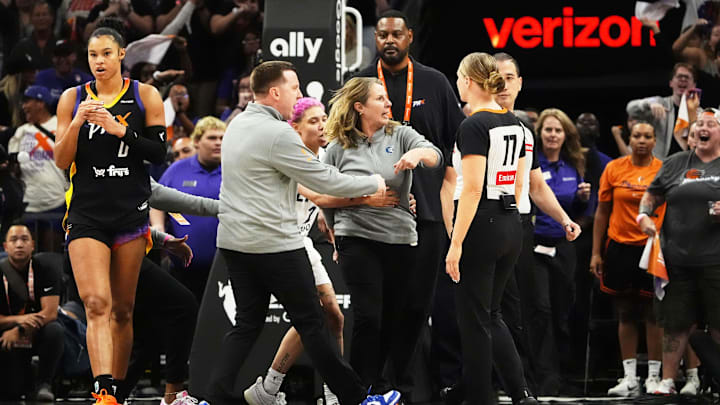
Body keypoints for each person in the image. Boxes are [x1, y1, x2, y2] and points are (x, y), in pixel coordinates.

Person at [208, 60, 399, 405]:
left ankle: (214, 397)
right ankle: (354, 398)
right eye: (294, 87)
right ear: (276, 91)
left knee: (248, 324)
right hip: (275, 243)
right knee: (314, 323)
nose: (298, 93)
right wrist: (375, 183)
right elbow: (324, 181)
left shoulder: (236, 125)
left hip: (235, 243)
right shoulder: (278, 133)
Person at [53, 19, 166, 405]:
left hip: (131, 213)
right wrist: (80, 122)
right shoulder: (73, 97)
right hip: (87, 214)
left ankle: (117, 390)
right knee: (96, 304)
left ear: (121, 55)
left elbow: (158, 153)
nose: (98, 61)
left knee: (122, 310)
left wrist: (121, 132)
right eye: (92, 55)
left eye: (106, 54)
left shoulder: (145, 95)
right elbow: (60, 160)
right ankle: (102, 390)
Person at [354, 10, 465, 396]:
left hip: (429, 213)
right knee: (378, 308)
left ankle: (405, 384)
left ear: (409, 37)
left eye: (396, 34)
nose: (388, 40)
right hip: (374, 212)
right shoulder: (359, 83)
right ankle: (373, 384)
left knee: (418, 306)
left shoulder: (434, 82)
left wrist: (448, 193)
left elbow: (456, 142)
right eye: (382, 33)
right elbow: (339, 138)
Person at [321, 76, 441, 396]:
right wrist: (341, 225)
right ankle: (357, 391)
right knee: (368, 317)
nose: (388, 104)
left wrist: (417, 156)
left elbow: (434, 154)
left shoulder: (400, 133)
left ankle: (380, 385)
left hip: (400, 237)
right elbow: (322, 194)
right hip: (355, 236)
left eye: (387, 99)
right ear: (360, 106)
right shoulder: (336, 147)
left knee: (394, 317)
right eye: (380, 99)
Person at [444, 52, 536, 405]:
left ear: (468, 80)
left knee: (475, 322)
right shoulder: (515, 122)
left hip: (483, 222)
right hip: (511, 222)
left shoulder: (474, 125)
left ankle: (481, 399)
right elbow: (517, 182)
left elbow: (470, 187)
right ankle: (520, 394)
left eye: (457, 77)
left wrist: (456, 243)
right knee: (491, 314)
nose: (457, 83)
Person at [493, 53, 582, 396]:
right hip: (484, 224)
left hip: (518, 226)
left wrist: (563, 218)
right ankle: (488, 385)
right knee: (491, 309)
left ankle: (525, 385)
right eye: (496, 76)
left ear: (519, 82)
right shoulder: (472, 122)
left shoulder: (523, 129)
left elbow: (535, 185)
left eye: (510, 76)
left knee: (527, 310)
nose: (503, 83)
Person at [637, 108, 720, 395]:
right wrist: (644, 216)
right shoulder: (674, 163)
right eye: (699, 124)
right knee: (675, 322)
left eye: (710, 124)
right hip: (676, 260)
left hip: (716, 261)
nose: (702, 128)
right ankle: (668, 381)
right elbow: (652, 194)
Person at [590, 122, 665, 396]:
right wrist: (596, 252)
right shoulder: (614, 169)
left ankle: (655, 377)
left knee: (654, 314)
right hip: (619, 248)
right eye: (637, 136)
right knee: (625, 313)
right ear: (630, 139)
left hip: (652, 247)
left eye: (647, 136)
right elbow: (601, 212)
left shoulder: (662, 170)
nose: (642, 140)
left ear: (655, 141)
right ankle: (629, 377)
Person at [532, 108, 591, 392]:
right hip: (533, 246)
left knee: (562, 309)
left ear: (565, 135)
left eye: (557, 130)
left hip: (565, 247)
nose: (553, 135)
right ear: (540, 133)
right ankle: (544, 376)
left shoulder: (573, 165)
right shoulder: (531, 164)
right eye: (548, 130)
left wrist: (581, 200)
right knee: (540, 309)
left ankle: (565, 370)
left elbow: (582, 212)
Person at [152, 116, 223, 302]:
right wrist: (159, 226)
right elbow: (156, 200)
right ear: (197, 142)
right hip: (182, 267)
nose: (218, 143)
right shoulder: (177, 169)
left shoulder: (233, 169)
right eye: (212, 138)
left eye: (222, 138)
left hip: (224, 268)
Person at [0, 224, 64, 402]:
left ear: (33, 245)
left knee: (55, 329)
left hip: (37, 329)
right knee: (11, 391)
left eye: (24, 239)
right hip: (6, 332)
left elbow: (50, 312)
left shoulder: (47, 269)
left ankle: (45, 383)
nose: (19, 244)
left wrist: (20, 329)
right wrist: (21, 320)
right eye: (14, 240)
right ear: (5, 246)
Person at [9, 84, 68, 252]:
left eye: (28, 101)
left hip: (56, 199)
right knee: (28, 254)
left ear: (40, 103)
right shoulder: (21, 132)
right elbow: (14, 169)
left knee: (52, 253)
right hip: (29, 201)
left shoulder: (61, 125)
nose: (24, 106)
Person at [626, 63, 700, 159]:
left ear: (694, 85)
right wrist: (649, 104)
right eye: (679, 76)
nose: (683, 79)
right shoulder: (659, 102)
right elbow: (630, 108)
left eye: (687, 77)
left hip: (686, 167)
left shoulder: (699, 113)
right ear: (671, 83)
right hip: (660, 166)